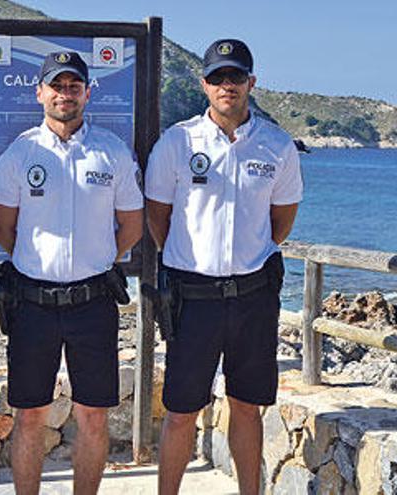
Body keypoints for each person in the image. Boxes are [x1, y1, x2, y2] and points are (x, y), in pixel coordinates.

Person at [145, 39, 303, 495]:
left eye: (235, 76)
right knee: (179, 410)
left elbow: (281, 222)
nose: (226, 85)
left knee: (247, 406)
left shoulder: (277, 146)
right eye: (217, 77)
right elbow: (159, 217)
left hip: (253, 297)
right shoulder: (177, 142)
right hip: (192, 299)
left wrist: (242, 259)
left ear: (251, 83)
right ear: (204, 85)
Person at [0, 51, 144, 495]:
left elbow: (131, 225)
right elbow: (5, 229)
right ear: (39, 93)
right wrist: (41, 263)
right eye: (56, 86)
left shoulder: (112, 152)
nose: (65, 94)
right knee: (30, 415)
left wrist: (95, 260)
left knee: (93, 416)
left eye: (74, 86)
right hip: (31, 304)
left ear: (87, 93)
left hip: (93, 304)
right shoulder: (18, 154)